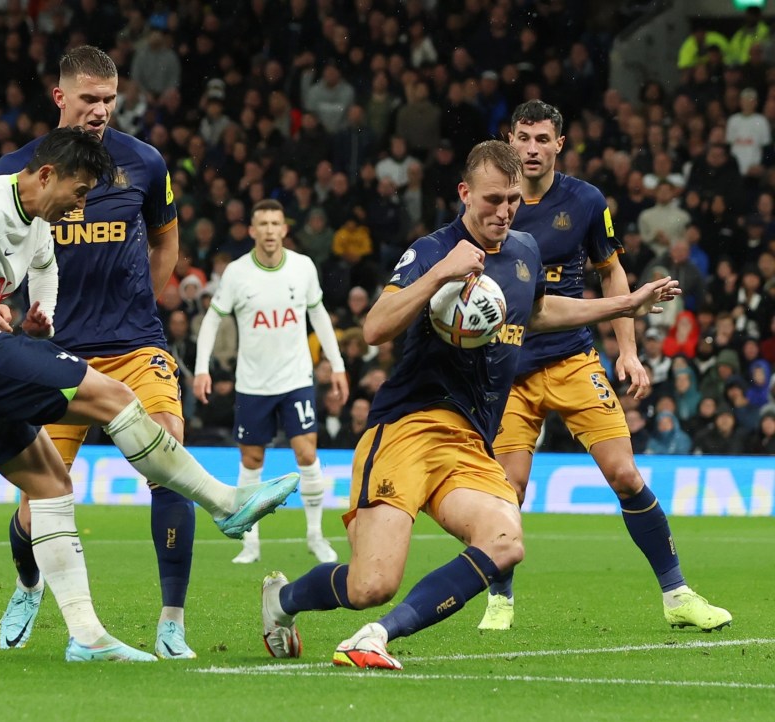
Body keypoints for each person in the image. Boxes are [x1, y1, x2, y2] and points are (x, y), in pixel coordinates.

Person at [259, 140, 682, 670]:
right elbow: (374, 327)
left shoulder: (525, 251)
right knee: (371, 583)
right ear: (464, 193)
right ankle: (283, 600)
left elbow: (540, 312)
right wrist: (441, 275)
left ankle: (374, 637)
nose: (503, 211)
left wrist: (626, 303)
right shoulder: (434, 249)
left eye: (510, 200)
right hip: (406, 429)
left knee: (506, 541)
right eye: (491, 200)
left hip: (468, 441)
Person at [0, 126, 298, 663]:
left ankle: (86, 636)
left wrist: (41, 316)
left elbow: (43, 270)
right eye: (80, 192)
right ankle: (224, 502)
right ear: (46, 175)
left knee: (49, 485)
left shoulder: (40, 223)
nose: (82, 204)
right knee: (110, 396)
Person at [0, 46, 213, 660]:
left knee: (167, 456)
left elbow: (165, 242)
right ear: (60, 97)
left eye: (110, 100)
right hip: (54, 352)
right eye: (88, 99)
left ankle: (171, 623)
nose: (101, 111)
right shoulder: (17, 168)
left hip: (135, 345)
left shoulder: (145, 163)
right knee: (39, 499)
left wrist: (142, 310)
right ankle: (29, 585)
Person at [477, 101, 729, 633]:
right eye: (523, 137)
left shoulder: (586, 201)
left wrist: (629, 351)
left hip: (572, 358)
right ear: (510, 138)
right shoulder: (494, 203)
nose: (530, 148)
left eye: (542, 139)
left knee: (623, 473)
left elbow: (612, 275)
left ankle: (677, 594)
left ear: (559, 144)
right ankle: (500, 600)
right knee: (508, 490)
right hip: (511, 368)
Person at [193, 199, 349, 564]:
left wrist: (337, 364)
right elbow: (212, 321)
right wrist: (202, 368)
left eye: (274, 223)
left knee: (307, 454)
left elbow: (320, 316)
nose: (268, 230)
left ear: (284, 229)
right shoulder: (236, 273)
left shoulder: (303, 267)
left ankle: (315, 535)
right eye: (261, 223)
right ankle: (251, 542)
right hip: (253, 384)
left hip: (295, 378)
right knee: (251, 460)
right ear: (251, 230)